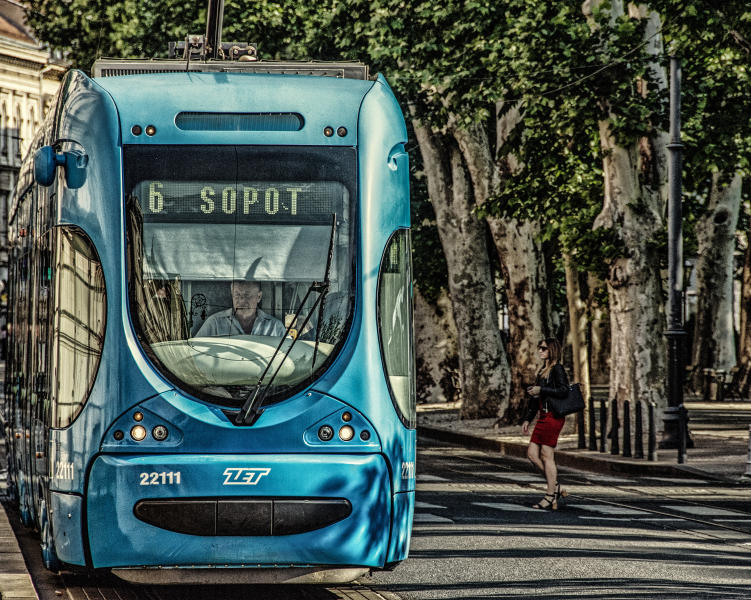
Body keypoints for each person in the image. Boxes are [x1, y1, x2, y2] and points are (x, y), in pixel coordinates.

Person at [521, 337, 569, 510]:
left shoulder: (557, 369)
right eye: (539, 348)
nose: (540, 351)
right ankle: (555, 486)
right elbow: (536, 398)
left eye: (543, 348)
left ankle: (549, 495)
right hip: (542, 416)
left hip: (553, 417)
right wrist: (527, 418)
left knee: (547, 455)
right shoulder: (543, 370)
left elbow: (564, 390)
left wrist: (542, 389)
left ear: (552, 350)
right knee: (532, 454)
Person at [195, 280, 286, 337]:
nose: (241, 300)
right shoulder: (214, 323)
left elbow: (290, 356)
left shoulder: (275, 327)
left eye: (247, 295)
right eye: (237, 295)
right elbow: (194, 354)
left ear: (259, 297)